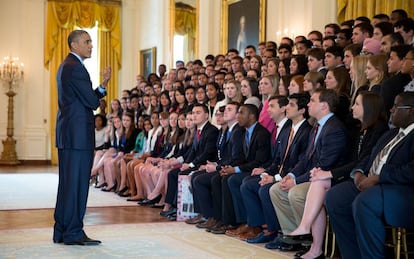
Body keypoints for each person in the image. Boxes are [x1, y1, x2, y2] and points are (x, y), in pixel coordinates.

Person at [284, 91, 388, 259]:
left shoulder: (376, 129)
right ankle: (313, 242)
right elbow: (309, 158)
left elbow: (360, 162)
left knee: (319, 184)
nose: (352, 107)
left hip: (358, 177)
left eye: (357, 104)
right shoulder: (360, 129)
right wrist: (309, 174)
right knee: (319, 183)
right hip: (346, 175)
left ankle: (310, 234)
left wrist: (327, 173)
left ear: (369, 107)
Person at [325, 92, 414, 259]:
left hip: (399, 189)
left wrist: (379, 177)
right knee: (335, 196)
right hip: (371, 183)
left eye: (396, 106)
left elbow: (411, 170)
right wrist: (358, 173)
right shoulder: (391, 134)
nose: (391, 109)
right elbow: (369, 158)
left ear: (411, 111)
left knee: (365, 202)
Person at [269, 88, 348, 252]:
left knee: (296, 193)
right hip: (313, 176)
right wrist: (291, 175)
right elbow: (306, 159)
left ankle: (311, 239)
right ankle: (294, 235)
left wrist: (297, 181)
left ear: (324, 106)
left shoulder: (335, 128)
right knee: (276, 189)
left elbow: (325, 165)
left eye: (313, 101)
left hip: (329, 180)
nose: (309, 104)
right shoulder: (317, 126)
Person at [54, 30, 111, 245]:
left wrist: (102, 86)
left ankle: (62, 230)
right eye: (87, 42)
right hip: (77, 138)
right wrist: (102, 87)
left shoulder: (66, 66)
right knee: (77, 185)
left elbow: (85, 99)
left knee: (68, 185)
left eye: (91, 42)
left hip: (69, 135)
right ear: (74, 44)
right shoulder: (75, 68)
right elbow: (92, 102)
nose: (91, 46)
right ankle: (73, 233)